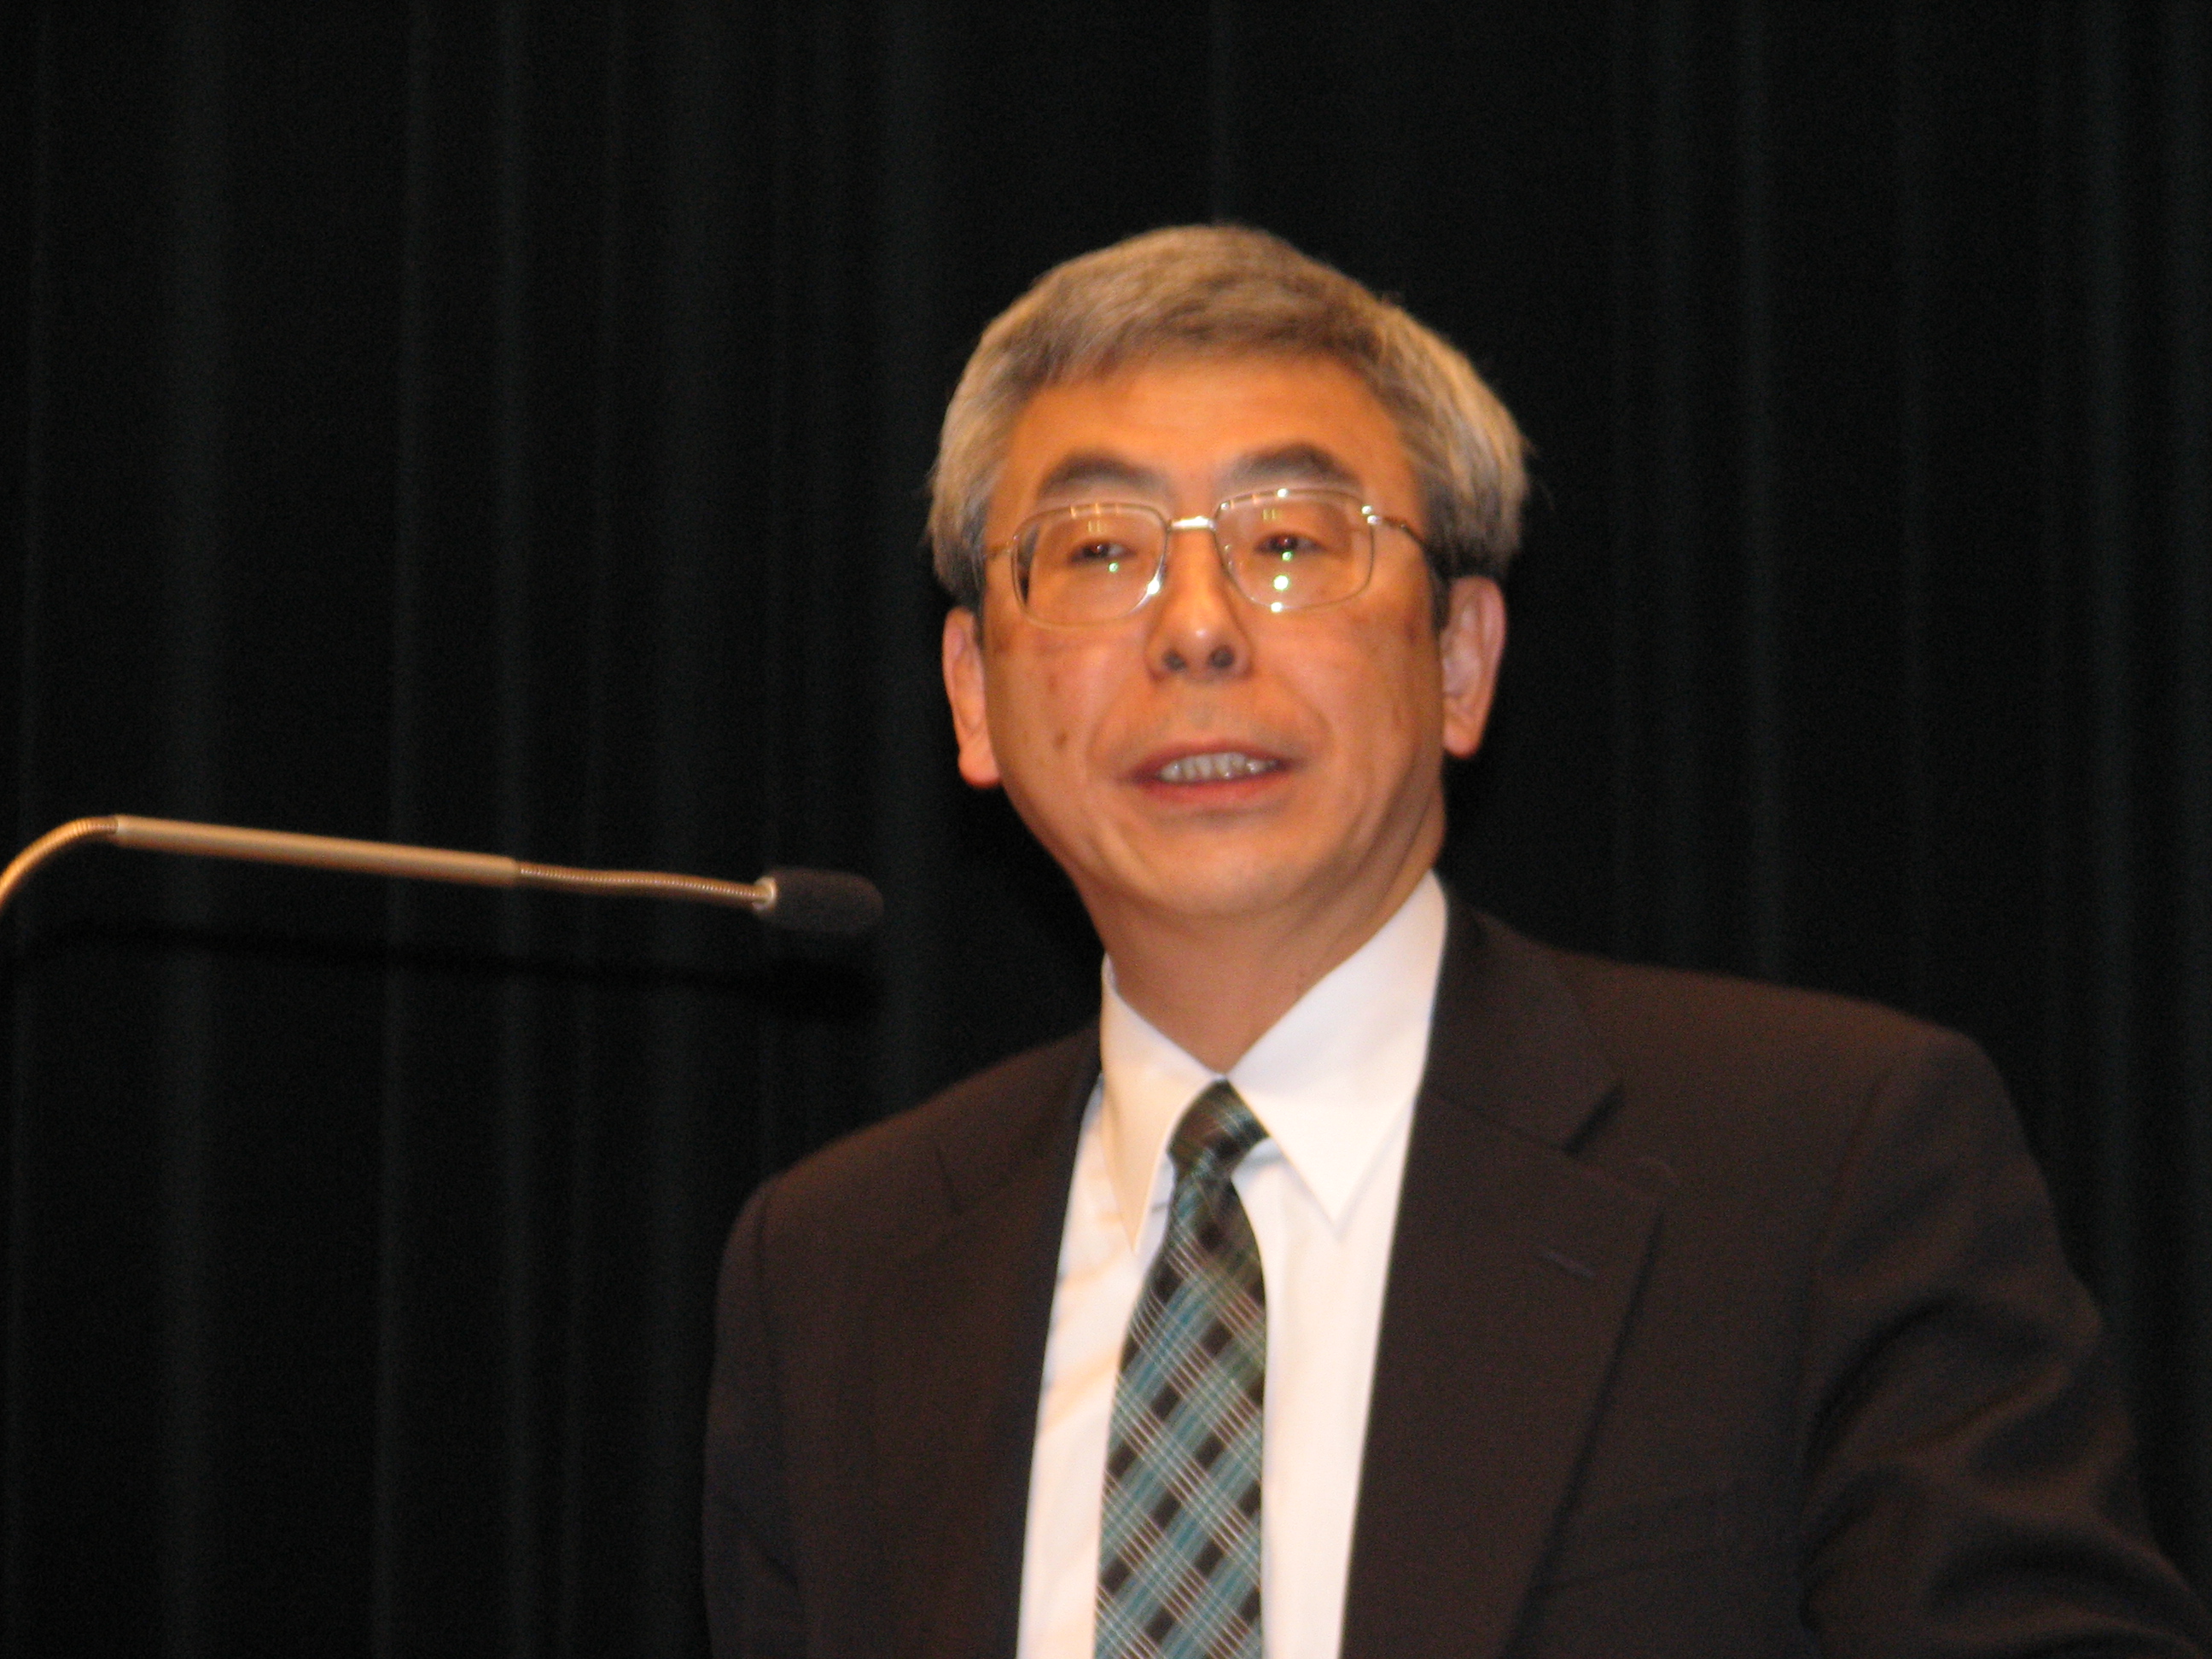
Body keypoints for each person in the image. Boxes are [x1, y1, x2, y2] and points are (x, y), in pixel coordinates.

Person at [702, 225, 2211, 1658]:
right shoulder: (835, 1275)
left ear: (1462, 661)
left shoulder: (1822, 1168)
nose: (1197, 627)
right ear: (973, 694)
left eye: (1292, 540)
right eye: (1099, 552)